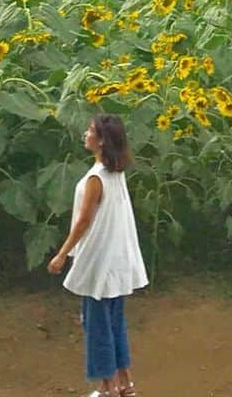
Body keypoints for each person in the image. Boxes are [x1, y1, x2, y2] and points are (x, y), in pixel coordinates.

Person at [48, 112, 149, 397]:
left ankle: (105, 388)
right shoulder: (116, 173)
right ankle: (125, 384)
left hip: (98, 262)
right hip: (115, 261)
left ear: (102, 141)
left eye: (91, 131)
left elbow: (83, 221)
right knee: (115, 322)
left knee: (96, 326)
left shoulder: (96, 178)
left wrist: (62, 254)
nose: (86, 134)